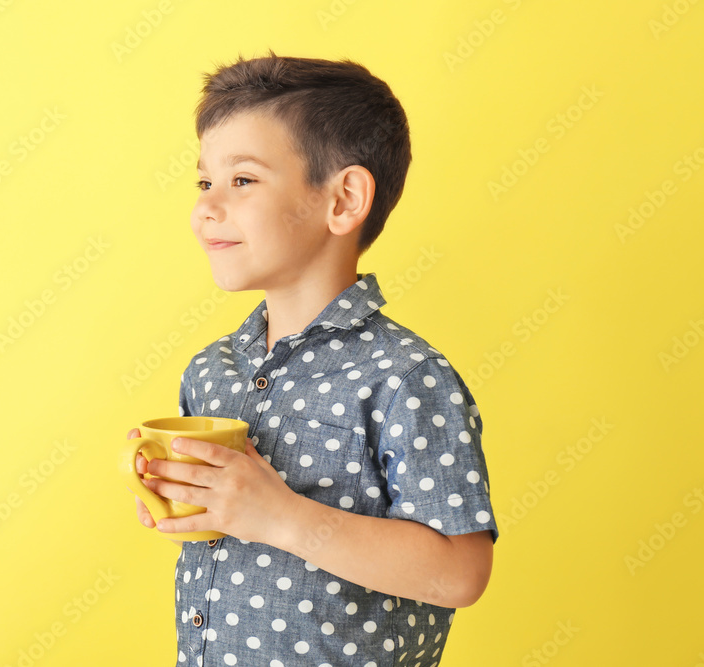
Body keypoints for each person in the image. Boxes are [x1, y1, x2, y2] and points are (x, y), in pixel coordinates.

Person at [126, 50, 498, 667]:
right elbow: (232, 528)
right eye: (203, 182)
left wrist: (279, 516)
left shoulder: (405, 377)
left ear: (344, 199)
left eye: (241, 180)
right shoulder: (211, 369)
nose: (206, 208)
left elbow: (460, 573)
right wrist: (187, 497)